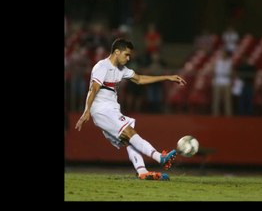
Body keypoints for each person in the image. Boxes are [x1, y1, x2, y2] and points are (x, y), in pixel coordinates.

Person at [75, 38, 186, 181]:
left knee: (128, 139)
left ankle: (142, 171)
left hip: (111, 109)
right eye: (126, 54)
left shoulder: (122, 70)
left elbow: (139, 79)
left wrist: (167, 77)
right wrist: (86, 111)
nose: (128, 58)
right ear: (116, 52)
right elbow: (93, 89)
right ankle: (160, 157)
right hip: (102, 109)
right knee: (129, 132)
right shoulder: (102, 66)